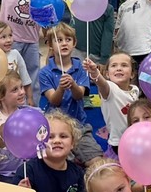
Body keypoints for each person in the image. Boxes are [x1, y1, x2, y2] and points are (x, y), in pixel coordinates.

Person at [39, 22, 103, 164]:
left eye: (68, 40)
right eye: (58, 40)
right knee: (56, 163)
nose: (64, 43)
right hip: (55, 130)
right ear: (50, 44)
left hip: (79, 125)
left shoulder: (81, 68)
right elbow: (54, 101)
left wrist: (73, 85)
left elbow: (79, 95)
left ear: (74, 43)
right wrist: (61, 88)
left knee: (96, 161)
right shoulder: (45, 72)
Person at [84, 51, 138, 156]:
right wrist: (95, 73)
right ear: (107, 74)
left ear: (132, 74)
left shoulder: (135, 89)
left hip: (134, 139)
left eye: (124, 65)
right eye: (114, 65)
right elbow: (102, 84)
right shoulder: (110, 89)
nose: (119, 68)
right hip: (118, 143)